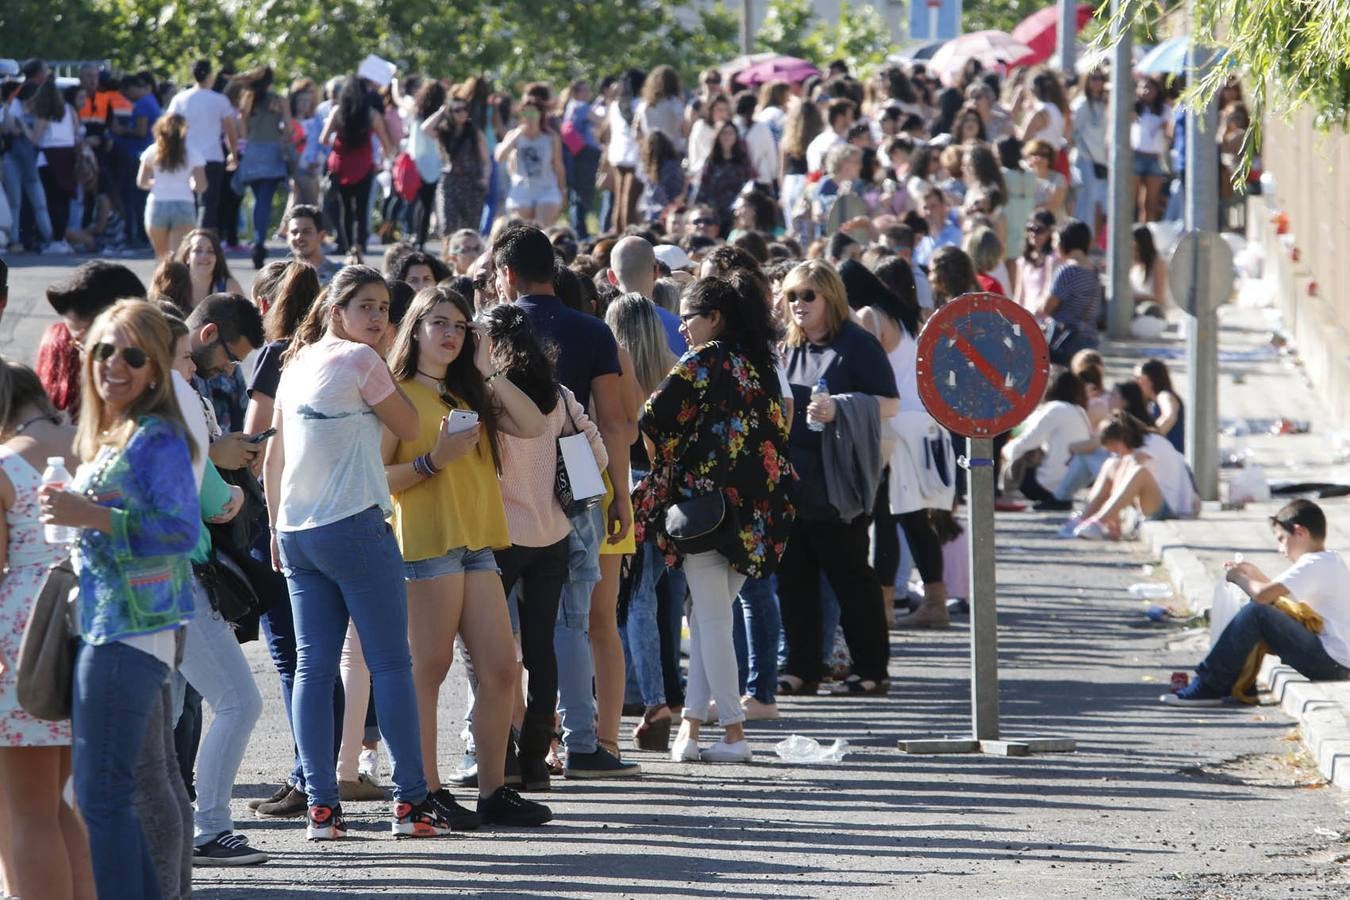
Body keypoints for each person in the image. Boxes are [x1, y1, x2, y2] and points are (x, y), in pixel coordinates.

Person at [262, 265, 453, 839]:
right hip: (354, 526)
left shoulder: (293, 364)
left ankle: (322, 806)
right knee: (391, 663)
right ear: (334, 311)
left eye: (384, 310)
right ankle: (411, 804)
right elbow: (412, 423)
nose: (378, 319)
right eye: (367, 307)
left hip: (297, 531)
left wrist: (274, 527)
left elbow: (273, 459)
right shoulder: (362, 360)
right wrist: (390, 356)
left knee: (313, 668)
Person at [38, 301, 200, 900]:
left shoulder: (156, 434)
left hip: (129, 632)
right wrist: (81, 518)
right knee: (115, 792)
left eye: (133, 355)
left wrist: (95, 517)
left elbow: (181, 531)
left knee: (103, 797)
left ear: (156, 370)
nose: (115, 363)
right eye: (105, 350)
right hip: (110, 625)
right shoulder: (118, 432)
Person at [380, 285, 552, 824]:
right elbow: (378, 476)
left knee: (501, 669)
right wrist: (434, 461)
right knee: (428, 670)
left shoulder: (471, 390)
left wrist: (489, 370)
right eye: (439, 323)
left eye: (459, 325)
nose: (451, 333)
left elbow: (534, 425)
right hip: (426, 545)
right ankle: (424, 789)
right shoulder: (397, 391)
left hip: (479, 543)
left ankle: (493, 791)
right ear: (416, 329)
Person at [491, 224, 638, 778]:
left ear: (506, 274)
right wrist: (620, 495)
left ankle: (497, 744)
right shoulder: (593, 331)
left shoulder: (486, 330)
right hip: (576, 486)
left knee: (497, 632)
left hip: (500, 492)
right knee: (570, 624)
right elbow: (615, 421)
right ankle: (583, 743)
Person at [634, 275, 794, 762]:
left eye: (688, 316)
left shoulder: (702, 360)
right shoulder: (761, 362)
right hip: (760, 512)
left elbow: (651, 416)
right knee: (709, 622)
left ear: (715, 317)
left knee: (709, 619)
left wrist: (671, 457)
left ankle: (733, 733)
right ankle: (692, 730)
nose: (681, 326)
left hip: (703, 512)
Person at [480, 302, 606, 787]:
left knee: (488, 650)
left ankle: (493, 753)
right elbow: (593, 446)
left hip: (498, 536)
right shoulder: (557, 394)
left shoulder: (488, 395)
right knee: (541, 649)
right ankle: (535, 759)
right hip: (552, 531)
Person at [778, 260, 898, 696]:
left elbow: (890, 404)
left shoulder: (857, 344)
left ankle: (871, 670)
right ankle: (801, 667)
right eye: (792, 295)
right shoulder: (788, 349)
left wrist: (840, 406)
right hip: (793, 480)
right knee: (795, 579)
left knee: (851, 577)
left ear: (831, 296)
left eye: (808, 295)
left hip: (839, 479)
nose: (798, 304)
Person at [0, 361, 95, 900]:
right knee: (59, 800)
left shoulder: (4, 465)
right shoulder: (87, 447)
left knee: (28, 807)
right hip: (83, 624)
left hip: (22, 637)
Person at [1164, 500, 1350, 707]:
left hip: (1331, 663)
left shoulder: (1313, 563)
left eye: (1282, 539)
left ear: (1299, 532)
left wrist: (1238, 578)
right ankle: (1234, 682)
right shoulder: (1328, 560)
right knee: (1264, 612)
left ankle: (1209, 685)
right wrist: (1253, 574)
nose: (1281, 549)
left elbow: (1263, 596)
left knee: (1257, 612)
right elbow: (1280, 597)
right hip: (1336, 663)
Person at [1065, 411, 1195, 541]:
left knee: (1139, 472)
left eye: (1116, 451)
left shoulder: (1149, 444)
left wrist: (1115, 516)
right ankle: (1084, 517)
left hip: (1170, 508)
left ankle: (1098, 522)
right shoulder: (1140, 444)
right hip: (1153, 503)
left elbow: (1125, 475)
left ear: (1121, 442)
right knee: (1111, 464)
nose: (1117, 455)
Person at [322, 76, 395, 253]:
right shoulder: (371, 114)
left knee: (345, 208)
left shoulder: (337, 111)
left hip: (341, 165)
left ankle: (347, 247)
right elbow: (387, 144)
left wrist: (338, 143)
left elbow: (323, 139)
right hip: (363, 165)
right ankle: (360, 245)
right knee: (361, 209)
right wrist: (383, 159)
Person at [999, 369, 1093, 505]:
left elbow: (1025, 442)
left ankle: (1000, 494)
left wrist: (1003, 451)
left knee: (1014, 451)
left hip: (1045, 484)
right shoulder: (1079, 411)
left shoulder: (1054, 409)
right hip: (1070, 483)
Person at [166, 59, 239, 230]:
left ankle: (186, 237)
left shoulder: (180, 99)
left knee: (186, 199)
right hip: (212, 156)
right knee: (208, 202)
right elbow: (230, 131)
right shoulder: (219, 100)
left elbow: (170, 128)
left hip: (186, 156)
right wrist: (233, 154)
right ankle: (202, 236)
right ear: (209, 75)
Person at [423, 88, 490, 241]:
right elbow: (425, 129)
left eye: (464, 109)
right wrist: (442, 111)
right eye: (457, 110)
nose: (461, 113)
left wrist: (485, 178)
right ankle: (448, 259)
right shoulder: (444, 131)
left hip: (472, 183)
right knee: (448, 225)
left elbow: (486, 161)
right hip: (449, 182)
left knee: (470, 228)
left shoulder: (475, 132)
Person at [137, 113, 206, 260]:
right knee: (178, 258)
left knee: (162, 258)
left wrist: (157, 183)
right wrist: (189, 184)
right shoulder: (193, 153)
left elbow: (141, 182)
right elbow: (201, 185)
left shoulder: (151, 151)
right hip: (184, 203)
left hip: (158, 203)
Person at [1042, 218, 1101, 364]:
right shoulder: (1094, 271)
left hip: (1063, 343)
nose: (1053, 246)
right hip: (1088, 340)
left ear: (1065, 241)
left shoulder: (1067, 271)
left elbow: (1047, 308)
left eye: (1055, 240)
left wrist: (1050, 272)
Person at [497, 99, 565, 225]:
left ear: (540, 115)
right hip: (521, 190)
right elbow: (500, 157)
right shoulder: (514, 135)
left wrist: (562, 190)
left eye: (533, 114)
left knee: (542, 230)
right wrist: (516, 137)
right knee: (521, 232)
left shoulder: (551, 137)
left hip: (546, 189)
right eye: (526, 114)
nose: (530, 118)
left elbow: (558, 165)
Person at [1073, 68, 1109, 237]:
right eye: (1093, 78)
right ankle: (1081, 240)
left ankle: (1091, 240)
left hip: (1101, 162)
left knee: (1098, 204)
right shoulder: (1081, 104)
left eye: (1100, 78)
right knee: (1085, 204)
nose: (1097, 82)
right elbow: (1074, 132)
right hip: (1085, 160)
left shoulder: (1103, 104)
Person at [1132, 76, 1171, 222]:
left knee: (1150, 203)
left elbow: (1169, 134)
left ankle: (1146, 230)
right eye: (1143, 87)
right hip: (1136, 155)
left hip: (1155, 158)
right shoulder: (1134, 109)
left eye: (1150, 87)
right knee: (1131, 200)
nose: (1146, 91)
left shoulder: (1165, 110)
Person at [175, 228, 244, 309]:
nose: (204, 256)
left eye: (210, 251)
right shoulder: (173, 287)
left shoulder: (230, 287)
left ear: (217, 257)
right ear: (187, 257)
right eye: (198, 250)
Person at [283, 205, 343, 284]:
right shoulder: (281, 277)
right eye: (294, 232)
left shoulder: (341, 274)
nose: (299, 237)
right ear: (287, 236)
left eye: (306, 232)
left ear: (321, 236)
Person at [1013, 209, 1057, 317]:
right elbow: (1019, 294)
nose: (1033, 233)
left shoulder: (1053, 259)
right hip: (1026, 317)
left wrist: (1036, 313)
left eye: (1039, 230)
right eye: (1029, 228)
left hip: (1044, 317)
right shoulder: (1023, 260)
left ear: (1050, 231)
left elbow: (1048, 291)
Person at [1136, 357, 1184, 454]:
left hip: (1171, 460)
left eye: (1139, 378)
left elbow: (1169, 416)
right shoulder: (1151, 403)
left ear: (1150, 380)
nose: (1136, 383)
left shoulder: (1164, 396)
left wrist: (1148, 438)